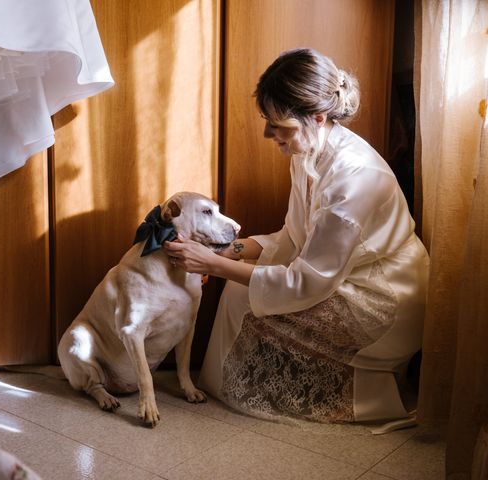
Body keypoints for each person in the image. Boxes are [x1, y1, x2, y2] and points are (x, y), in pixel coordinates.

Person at [163, 48, 429, 423]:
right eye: (266, 120)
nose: (268, 133)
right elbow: (293, 235)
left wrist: (215, 264)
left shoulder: (355, 180)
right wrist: (230, 250)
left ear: (318, 118)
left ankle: (350, 393)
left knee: (241, 292)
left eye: (278, 125)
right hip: (345, 273)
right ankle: (236, 383)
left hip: (385, 295)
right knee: (241, 287)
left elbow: (306, 281)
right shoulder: (308, 152)